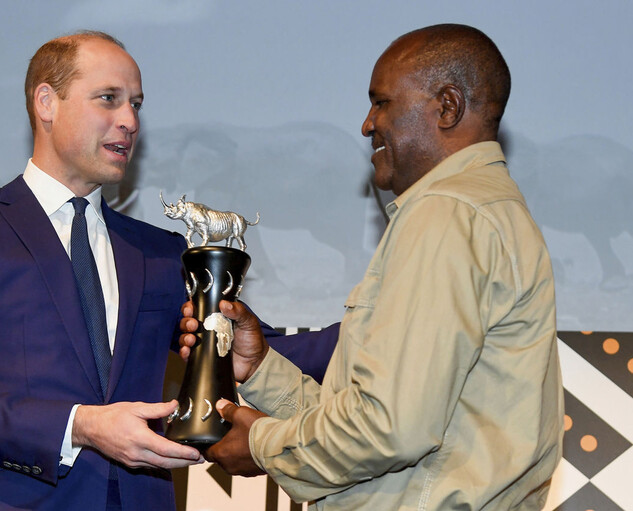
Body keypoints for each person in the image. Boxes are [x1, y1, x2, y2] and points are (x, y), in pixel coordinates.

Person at [0, 31, 335, 510]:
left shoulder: (160, 251)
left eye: (136, 105)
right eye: (109, 99)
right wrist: (78, 426)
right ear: (46, 102)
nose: (130, 121)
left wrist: (396, 321)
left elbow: (261, 353)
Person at [181, 24, 564, 510]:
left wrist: (263, 446)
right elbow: (387, 423)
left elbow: (391, 428)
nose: (367, 124)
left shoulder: (446, 214)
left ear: (447, 106)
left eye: (381, 102)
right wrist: (259, 369)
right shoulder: (482, 210)